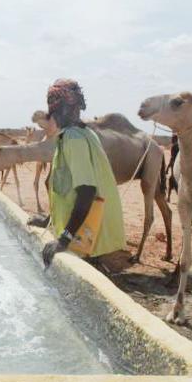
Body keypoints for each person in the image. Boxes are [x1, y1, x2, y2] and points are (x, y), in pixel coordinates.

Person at [39, 78, 126, 267]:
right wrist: (49, 221)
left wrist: (64, 239)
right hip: (82, 233)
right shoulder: (83, 132)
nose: (53, 115)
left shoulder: (73, 139)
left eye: (55, 110)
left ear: (62, 110)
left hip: (84, 240)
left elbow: (86, 191)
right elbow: (65, 187)